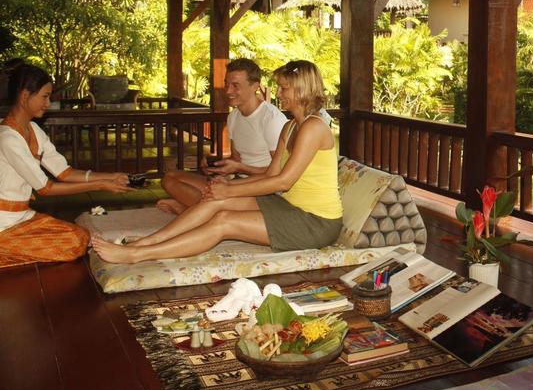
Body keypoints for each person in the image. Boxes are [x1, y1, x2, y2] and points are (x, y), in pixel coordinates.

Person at [92, 60, 342, 263]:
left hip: (315, 222)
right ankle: (149, 241)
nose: (277, 93)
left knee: (225, 221)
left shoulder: (313, 127)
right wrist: (225, 189)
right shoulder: (290, 127)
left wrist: (231, 187)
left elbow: (283, 181)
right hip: (289, 207)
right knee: (216, 200)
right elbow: (271, 175)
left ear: (301, 89)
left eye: (284, 88)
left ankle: (137, 254)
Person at [0, 64, 132, 268]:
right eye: (44, 96)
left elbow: (64, 172)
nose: (48, 103)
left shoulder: (33, 129)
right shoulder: (8, 138)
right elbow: (46, 188)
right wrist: (100, 185)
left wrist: (109, 176)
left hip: (22, 216)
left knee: (82, 237)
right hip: (3, 223)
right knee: (75, 243)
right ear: (25, 96)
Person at [155, 58, 287, 214]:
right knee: (170, 179)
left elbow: (280, 172)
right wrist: (218, 166)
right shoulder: (234, 117)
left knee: (210, 195)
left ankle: (192, 211)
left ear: (255, 86)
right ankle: (197, 211)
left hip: (263, 190)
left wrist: (240, 168)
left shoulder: (271, 118)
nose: (228, 91)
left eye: (235, 86)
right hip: (237, 181)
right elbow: (236, 159)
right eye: (227, 84)